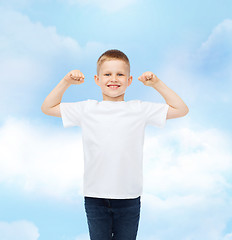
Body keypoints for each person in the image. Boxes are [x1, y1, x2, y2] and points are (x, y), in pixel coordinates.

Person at [41, 49, 189, 240]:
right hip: (95, 197)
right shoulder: (87, 109)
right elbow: (48, 107)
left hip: (129, 197)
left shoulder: (139, 109)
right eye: (107, 74)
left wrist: (157, 84)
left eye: (120, 74)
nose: (114, 78)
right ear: (97, 79)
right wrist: (66, 82)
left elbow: (181, 109)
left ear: (129, 80)